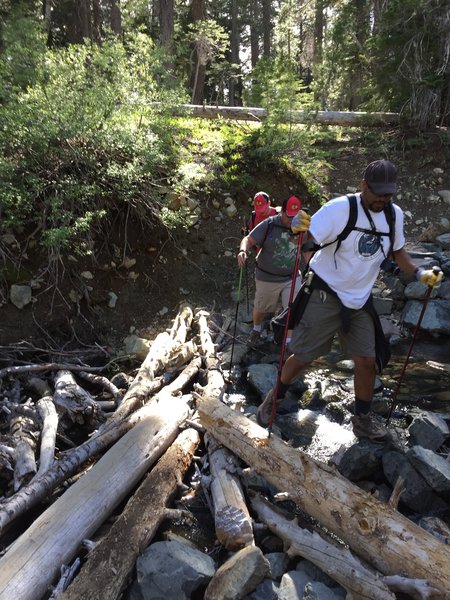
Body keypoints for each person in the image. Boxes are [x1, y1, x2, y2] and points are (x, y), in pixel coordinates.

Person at [256, 160, 444, 440]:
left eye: (388, 194)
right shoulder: (339, 209)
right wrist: (298, 227)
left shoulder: (394, 216)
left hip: (359, 299)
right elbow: (307, 240)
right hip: (324, 292)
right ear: (363, 185)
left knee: (367, 360)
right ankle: (275, 396)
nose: (382, 199)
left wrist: (419, 272)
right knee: (305, 356)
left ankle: (363, 419)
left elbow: (398, 252)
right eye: (377, 192)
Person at [237, 195, 303, 347]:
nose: (292, 220)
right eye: (289, 216)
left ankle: (287, 342)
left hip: (291, 277)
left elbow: (307, 248)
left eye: (295, 216)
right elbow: (249, 239)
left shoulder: (301, 227)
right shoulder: (270, 224)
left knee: (292, 309)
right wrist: (242, 251)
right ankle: (257, 329)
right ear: (282, 212)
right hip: (267, 276)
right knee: (262, 307)